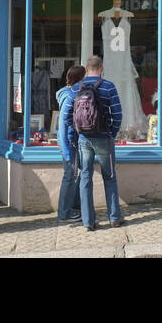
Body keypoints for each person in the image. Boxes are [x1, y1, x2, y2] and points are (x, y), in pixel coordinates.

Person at [63, 55, 125, 231]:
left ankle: (88, 222)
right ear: (101, 68)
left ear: (86, 69)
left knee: (85, 178)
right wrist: (111, 133)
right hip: (104, 138)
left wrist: (79, 130)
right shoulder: (108, 86)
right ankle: (114, 218)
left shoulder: (76, 88)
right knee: (110, 178)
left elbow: (67, 115)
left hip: (84, 139)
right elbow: (118, 114)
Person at [55, 65, 86, 223]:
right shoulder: (70, 96)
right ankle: (64, 213)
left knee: (76, 174)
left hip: (71, 141)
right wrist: (67, 148)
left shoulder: (71, 93)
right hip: (69, 142)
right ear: (80, 79)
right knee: (69, 175)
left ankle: (73, 204)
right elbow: (63, 122)